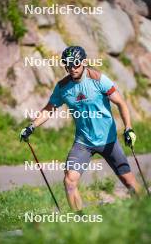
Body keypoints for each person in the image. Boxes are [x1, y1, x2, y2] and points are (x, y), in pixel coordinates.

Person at [20, 46, 140, 211]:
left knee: (129, 181)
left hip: (108, 140)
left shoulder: (99, 80)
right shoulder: (63, 87)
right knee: (69, 181)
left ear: (83, 62)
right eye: (67, 65)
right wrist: (31, 126)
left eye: (75, 64)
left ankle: (145, 211)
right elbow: (49, 109)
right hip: (83, 142)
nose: (72, 68)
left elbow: (121, 103)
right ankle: (79, 222)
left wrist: (128, 128)